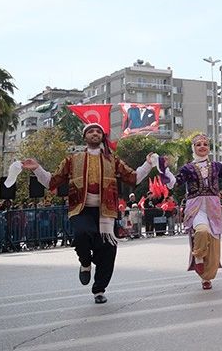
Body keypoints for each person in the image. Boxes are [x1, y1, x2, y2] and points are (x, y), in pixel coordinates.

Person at [16, 123, 161, 303]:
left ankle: (99, 289)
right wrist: (37, 168)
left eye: (98, 131)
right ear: (84, 137)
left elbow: (134, 178)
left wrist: (148, 164)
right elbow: (52, 182)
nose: (94, 133)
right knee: (83, 234)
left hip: (105, 211)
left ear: (102, 136)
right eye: (90, 131)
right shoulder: (73, 159)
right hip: (81, 209)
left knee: (108, 250)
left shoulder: (112, 159)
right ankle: (85, 262)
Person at [164, 134, 222, 290]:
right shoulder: (188, 168)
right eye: (198, 144)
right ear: (194, 148)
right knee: (201, 231)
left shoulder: (216, 166)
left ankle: (206, 277)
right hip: (196, 207)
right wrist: (165, 168)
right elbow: (176, 182)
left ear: (208, 148)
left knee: (214, 243)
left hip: (213, 207)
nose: (202, 146)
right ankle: (198, 256)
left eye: (205, 144)